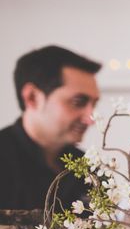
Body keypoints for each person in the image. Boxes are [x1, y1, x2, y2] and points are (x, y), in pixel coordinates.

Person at [0, 45, 101, 210]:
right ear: (32, 97)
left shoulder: (89, 168)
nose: (91, 118)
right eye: (78, 102)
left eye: (94, 104)